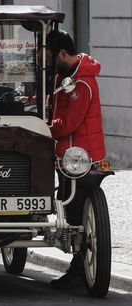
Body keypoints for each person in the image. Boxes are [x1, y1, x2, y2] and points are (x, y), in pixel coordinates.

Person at [46, 30, 106, 290]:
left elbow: (68, 123)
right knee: (73, 211)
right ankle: (79, 267)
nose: (47, 61)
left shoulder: (81, 83)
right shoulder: (66, 76)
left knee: (77, 213)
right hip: (70, 156)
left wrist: (43, 126)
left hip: (81, 158)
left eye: (48, 55)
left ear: (61, 53)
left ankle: (79, 270)